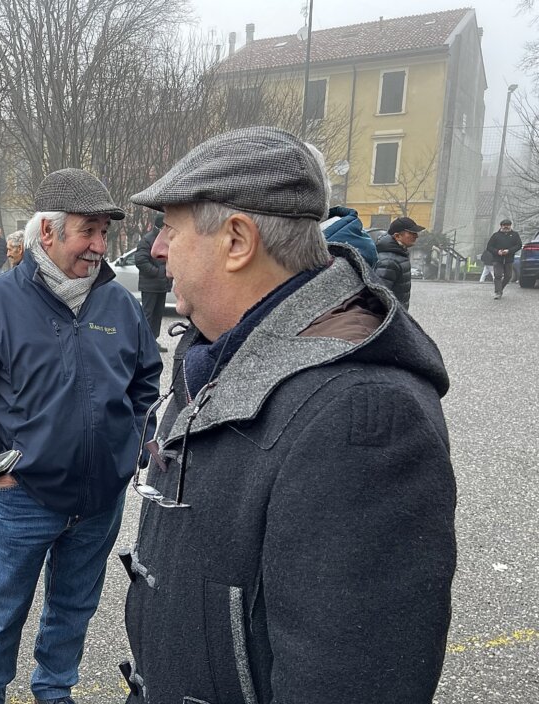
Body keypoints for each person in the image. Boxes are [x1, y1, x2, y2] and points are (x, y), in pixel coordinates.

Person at [120, 126, 456, 704]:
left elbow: (350, 683)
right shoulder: (217, 351)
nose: (157, 249)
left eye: (170, 229)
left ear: (237, 240)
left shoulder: (365, 418)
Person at [0, 168, 162, 704]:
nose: (100, 246)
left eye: (104, 233)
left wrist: (131, 447)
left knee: (74, 608)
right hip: (25, 496)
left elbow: (145, 382)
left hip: (100, 500)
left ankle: (54, 689)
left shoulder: (121, 305)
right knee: (0, 610)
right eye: (89, 231)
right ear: (48, 231)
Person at [135, 213, 172, 352]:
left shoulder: (167, 238)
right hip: (150, 286)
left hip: (162, 285)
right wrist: (158, 272)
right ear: (161, 225)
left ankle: (153, 341)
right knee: (148, 315)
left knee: (158, 315)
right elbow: (140, 260)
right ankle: (143, 343)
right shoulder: (147, 240)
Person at [373, 216, 424, 309]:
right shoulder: (389, 260)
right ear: (397, 236)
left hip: (397, 313)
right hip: (390, 315)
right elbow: (379, 296)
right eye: (411, 233)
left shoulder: (400, 254)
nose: (416, 236)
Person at [486, 218, 522, 299]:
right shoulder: (495, 235)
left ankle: (500, 289)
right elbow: (489, 247)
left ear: (510, 226)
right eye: (504, 225)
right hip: (497, 259)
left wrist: (509, 251)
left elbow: (519, 245)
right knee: (498, 275)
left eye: (508, 225)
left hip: (509, 259)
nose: (506, 227)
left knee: (508, 276)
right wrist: (497, 251)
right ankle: (498, 292)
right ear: (501, 226)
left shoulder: (515, 235)